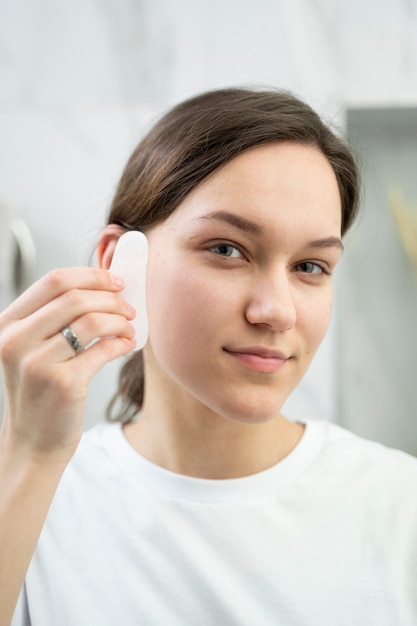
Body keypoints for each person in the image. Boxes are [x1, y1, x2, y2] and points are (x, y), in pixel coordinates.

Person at [0, 87, 416, 626]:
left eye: (311, 266)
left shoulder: (400, 506)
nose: (276, 312)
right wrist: (30, 451)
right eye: (227, 250)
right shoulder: (33, 498)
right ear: (119, 261)